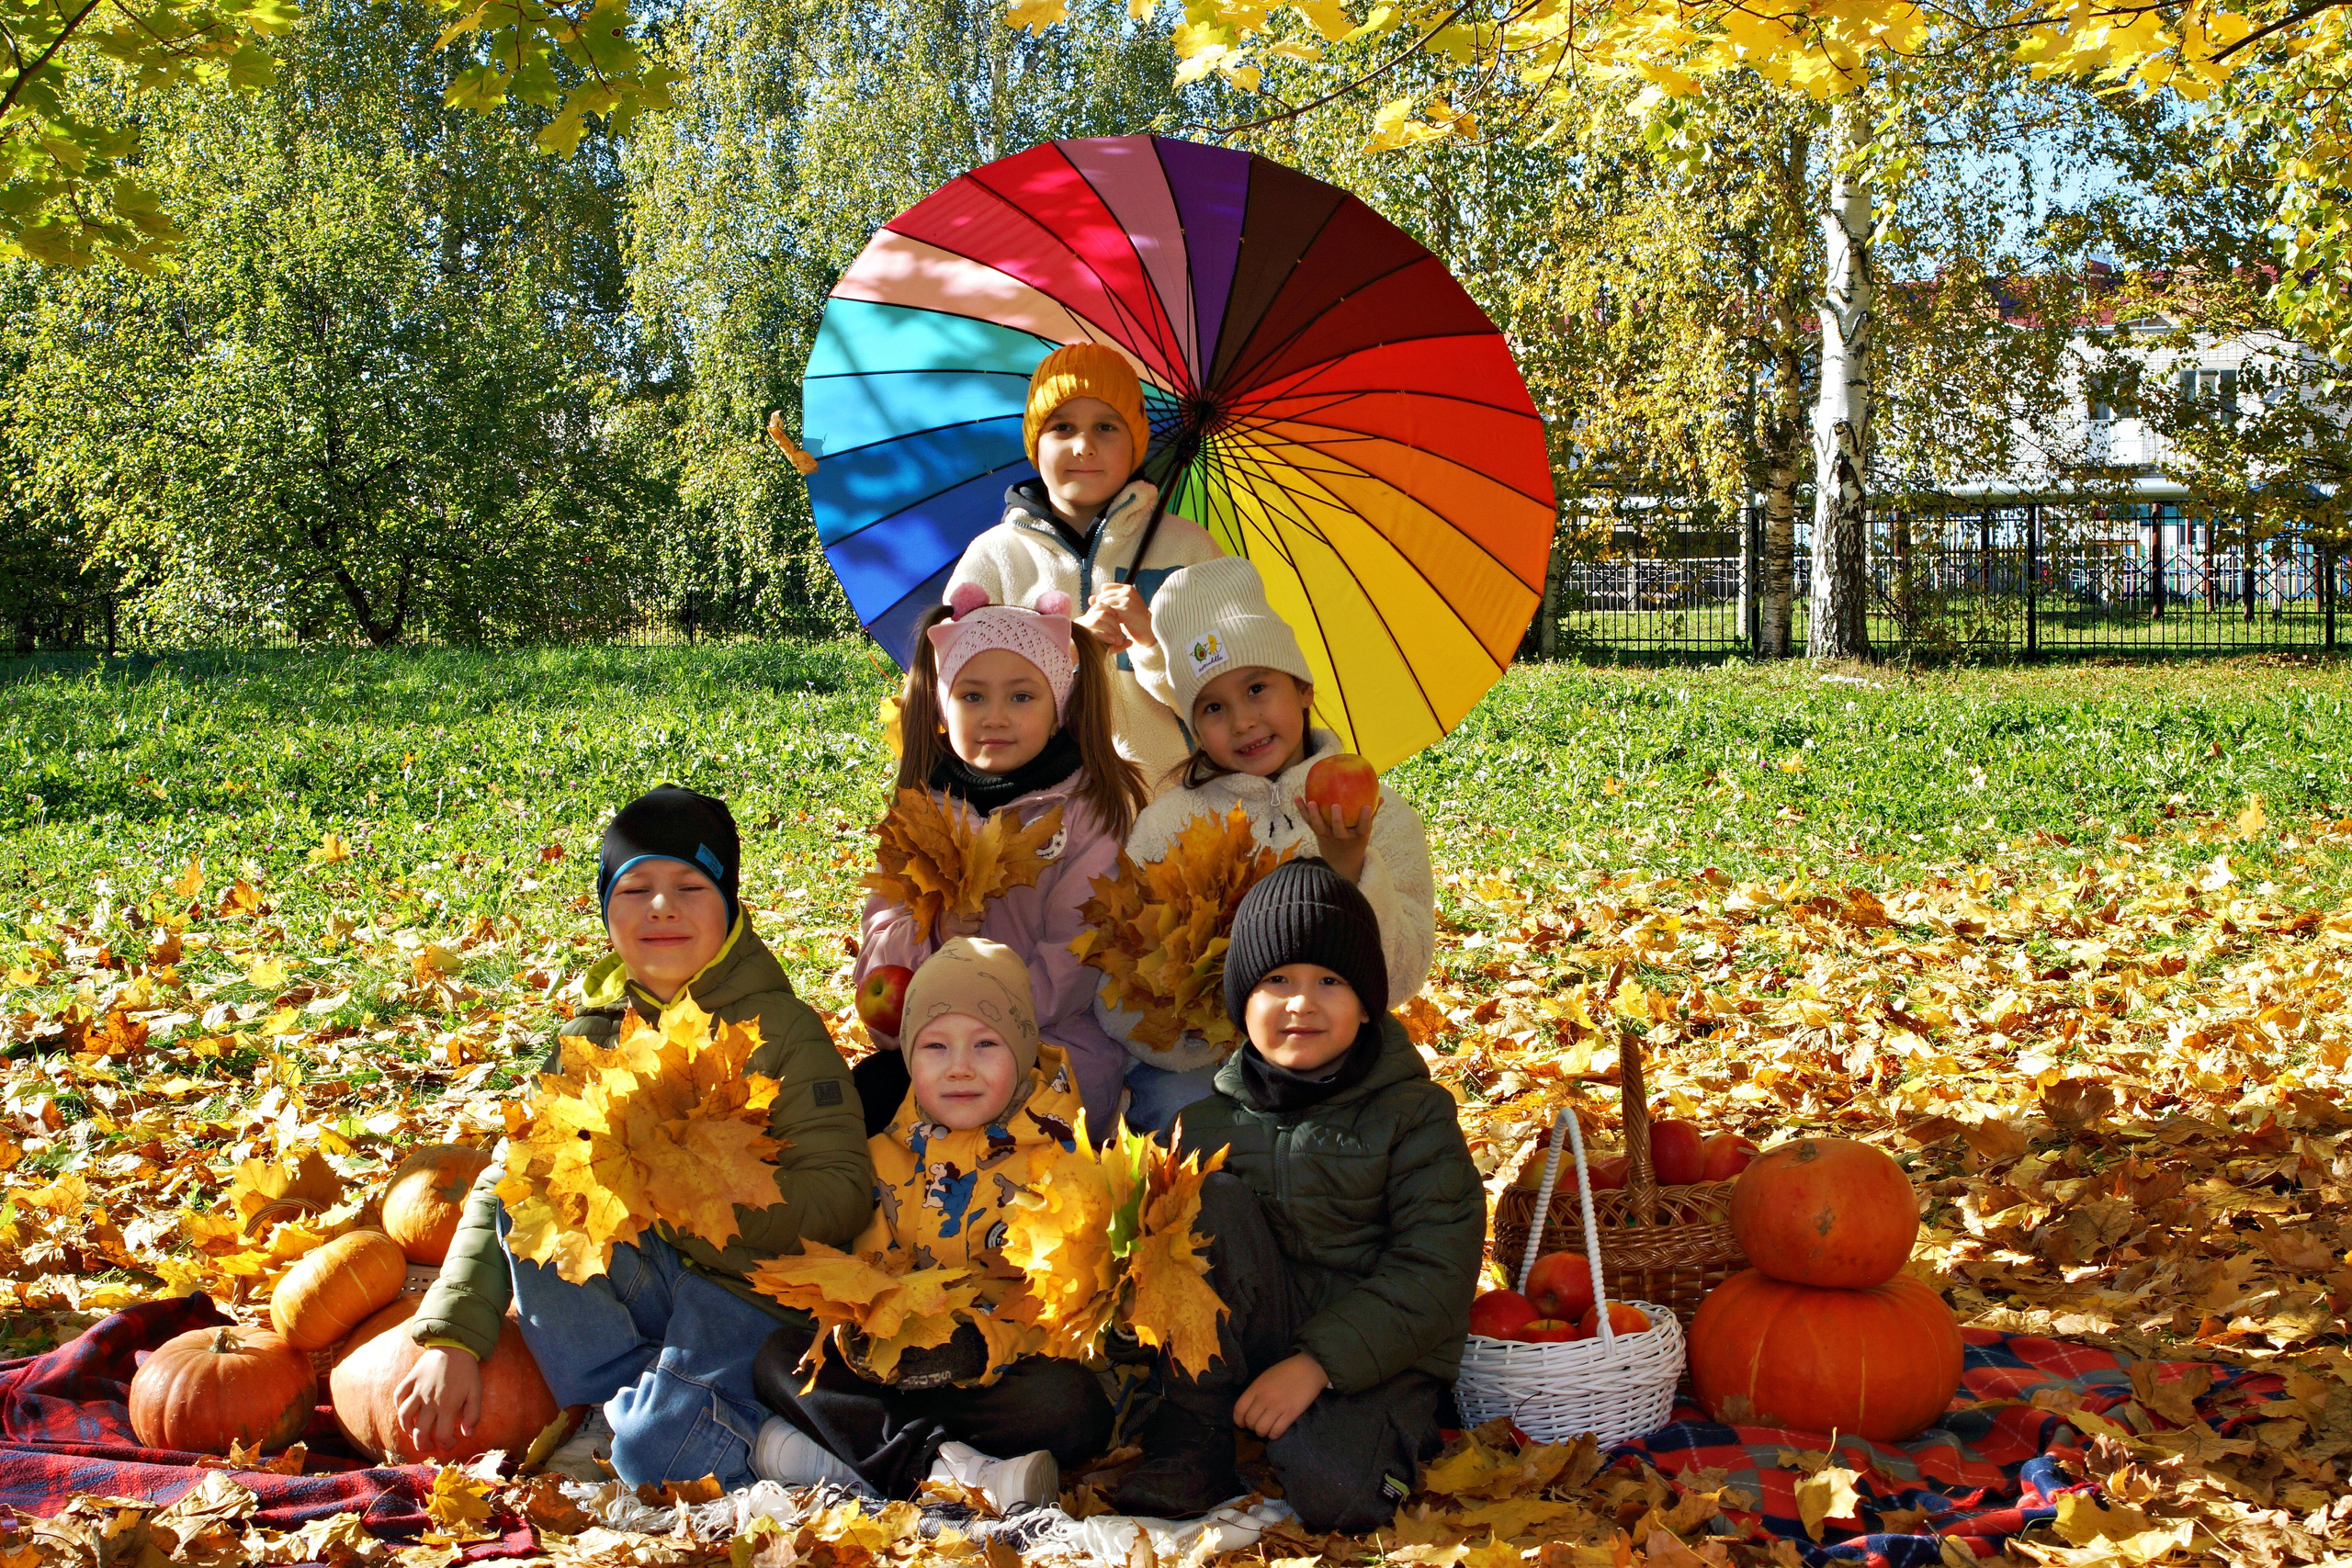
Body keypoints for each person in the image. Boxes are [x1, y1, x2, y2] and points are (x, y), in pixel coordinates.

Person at [394, 786, 875, 1490]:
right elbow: (508, 1184)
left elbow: (842, 1193)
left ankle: (712, 1433)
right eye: (637, 886)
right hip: (650, 1280)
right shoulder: (594, 1036)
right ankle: (622, 1404)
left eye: (689, 885)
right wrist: (454, 1335)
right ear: (608, 909)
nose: (662, 906)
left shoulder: (782, 1030)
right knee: (536, 1188)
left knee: (658, 1464)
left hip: (749, 1294)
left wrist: (711, 1195)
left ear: (731, 907)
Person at [1111, 858, 1483, 1533]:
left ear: (1367, 1003)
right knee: (1203, 1201)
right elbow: (1174, 1272)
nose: (1300, 1002)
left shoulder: (1413, 1115)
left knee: (1338, 1497)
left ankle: (1383, 1433)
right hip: (1261, 1327)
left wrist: (1318, 1364)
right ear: (1240, 1001)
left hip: (1376, 1350)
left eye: (1329, 981)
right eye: (1276, 979)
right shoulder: (1206, 1122)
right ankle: (1198, 1431)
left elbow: (1437, 1269)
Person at [750, 938, 1114, 1510]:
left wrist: (976, 1348)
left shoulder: (1065, 1161)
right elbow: (860, 1276)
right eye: (935, 1046)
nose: (960, 1067)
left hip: (1000, 1372)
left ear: (1021, 1049)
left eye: (986, 1044)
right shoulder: (883, 1155)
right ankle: (947, 1471)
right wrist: (862, 1332)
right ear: (910, 1057)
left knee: (1072, 1404)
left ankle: (853, 1455)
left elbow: (1068, 1315)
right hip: (904, 1367)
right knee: (779, 1357)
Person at [1100, 558, 1437, 1134]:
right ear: (1191, 724)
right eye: (1212, 707)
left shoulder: (1373, 812)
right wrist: (1214, 1029)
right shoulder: (1166, 825)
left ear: (1302, 688)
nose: (1243, 722)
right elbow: (1120, 995)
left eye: (1258, 688)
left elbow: (1400, 975)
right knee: (1176, 1119)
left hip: (1337, 1061)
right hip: (1203, 1075)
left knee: (1406, 1120)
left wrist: (1352, 872)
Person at [855, 587, 1147, 1132]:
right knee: (865, 1106)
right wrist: (934, 932)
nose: (995, 717)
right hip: (934, 1047)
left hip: (1050, 1051)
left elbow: (1073, 959)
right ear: (943, 705)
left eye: (1021, 697)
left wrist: (983, 1032)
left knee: (1013, 1151)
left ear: (1058, 708)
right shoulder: (919, 810)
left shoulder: (1086, 813)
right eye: (972, 696)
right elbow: (879, 950)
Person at [946, 342, 1220, 791]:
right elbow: (960, 690)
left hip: (1171, 806)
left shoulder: (1189, 550)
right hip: (1034, 812)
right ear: (1035, 442)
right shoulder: (993, 557)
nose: (1084, 446)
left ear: (1137, 443)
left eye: (1107, 427)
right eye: (1063, 426)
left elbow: (1221, 691)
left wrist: (1151, 642)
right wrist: (1067, 648)